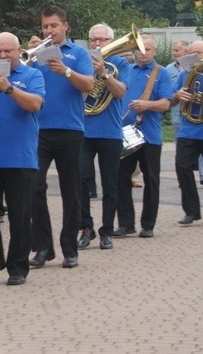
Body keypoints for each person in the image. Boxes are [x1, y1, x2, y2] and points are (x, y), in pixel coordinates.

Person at [0, 32, 45, 286]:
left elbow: (35, 104)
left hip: (20, 158)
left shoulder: (32, 75)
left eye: (7, 51)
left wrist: (9, 88)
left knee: (20, 216)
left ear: (18, 50)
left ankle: (17, 267)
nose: (2, 56)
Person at [28, 6, 94, 269]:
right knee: (34, 188)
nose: (49, 31)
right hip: (38, 131)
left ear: (66, 26)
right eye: (45, 27)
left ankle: (70, 248)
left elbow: (89, 85)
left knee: (72, 190)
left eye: (54, 26)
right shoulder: (36, 56)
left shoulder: (78, 53)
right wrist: (30, 57)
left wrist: (65, 70)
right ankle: (43, 247)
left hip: (70, 130)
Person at [115, 34, 172, 239]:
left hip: (150, 135)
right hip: (125, 133)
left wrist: (147, 105)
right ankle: (126, 224)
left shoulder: (161, 72)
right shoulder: (127, 71)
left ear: (154, 51)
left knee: (151, 180)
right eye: (139, 49)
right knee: (120, 178)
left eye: (147, 49)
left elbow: (166, 103)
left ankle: (148, 224)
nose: (143, 53)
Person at [78, 24, 128, 251]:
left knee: (110, 185)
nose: (97, 44)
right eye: (93, 40)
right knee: (81, 180)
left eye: (102, 40)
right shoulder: (81, 62)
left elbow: (120, 92)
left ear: (112, 40)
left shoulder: (120, 63)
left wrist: (103, 74)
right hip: (83, 131)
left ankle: (106, 231)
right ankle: (85, 227)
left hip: (109, 132)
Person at [170, 39, 203, 226]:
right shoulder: (186, 75)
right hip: (188, 130)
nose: (195, 57)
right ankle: (191, 211)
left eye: (199, 53)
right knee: (182, 168)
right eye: (191, 53)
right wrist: (177, 95)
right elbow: (172, 100)